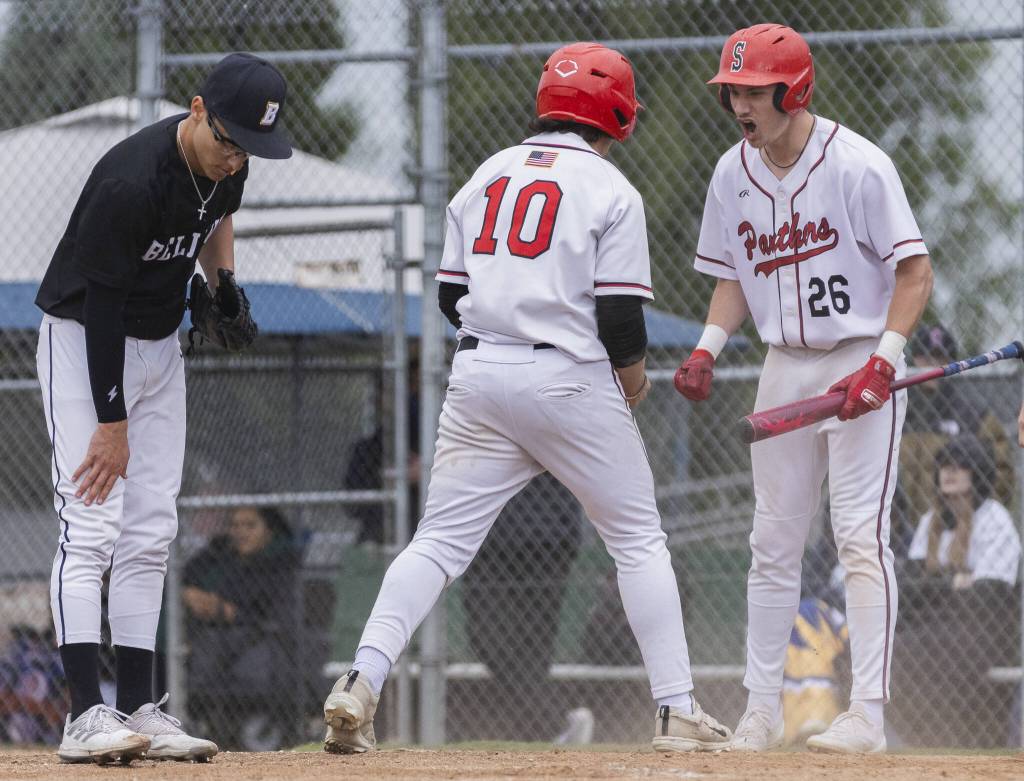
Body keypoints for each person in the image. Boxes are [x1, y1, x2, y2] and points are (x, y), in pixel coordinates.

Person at [322, 42, 731, 755]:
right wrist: (628, 378)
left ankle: (360, 679)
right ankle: (675, 709)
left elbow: (452, 295)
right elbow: (620, 317)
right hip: (569, 372)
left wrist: (505, 332)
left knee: (438, 541)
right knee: (637, 539)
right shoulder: (610, 189)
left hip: (480, 373)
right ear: (618, 112)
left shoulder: (488, 172)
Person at [675, 24, 933, 753]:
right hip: (783, 363)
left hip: (859, 357)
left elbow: (914, 270)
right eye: (733, 91)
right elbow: (735, 274)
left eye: (753, 90)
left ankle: (867, 717)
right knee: (771, 543)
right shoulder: (733, 172)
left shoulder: (857, 165)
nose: (739, 106)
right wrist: (706, 345)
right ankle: (758, 710)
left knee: (859, 537)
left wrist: (884, 361)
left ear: (793, 90)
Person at [33, 52, 291, 763]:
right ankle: (85, 713)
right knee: (91, 524)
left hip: (160, 346)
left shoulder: (228, 163)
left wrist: (225, 284)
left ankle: (143, 706)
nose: (235, 158)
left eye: (248, 148)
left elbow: (217, 219)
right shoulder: (131, 180)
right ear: (197, 107)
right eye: (228, 139)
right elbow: (104, 305)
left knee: (150, 528)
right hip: (87, 340)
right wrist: (110, 422)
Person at [895, 435, 1021, 746]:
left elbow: (989, 597)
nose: (950, 472)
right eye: (945, 466)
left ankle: (932, 742)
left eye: (961, 466)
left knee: (919, 652)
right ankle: (913, 742)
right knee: (886, 651)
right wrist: (954, 582)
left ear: (977, 473)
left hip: (982, 632)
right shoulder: (931, 521)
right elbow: (906, 591)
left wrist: (931, 587)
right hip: (932, 625)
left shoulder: (994, 519)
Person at [461, 472, 582, 741]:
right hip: (490, 539)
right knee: (487, 640)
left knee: (535, 649)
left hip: (549, 537)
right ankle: (557, 724)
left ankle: (541, 734)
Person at [183, 505, 300, 749]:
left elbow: (273, 615)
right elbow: (185, 577)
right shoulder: (220, 555)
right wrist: (190, 595)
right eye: (235, 525)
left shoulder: (280, 562)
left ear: (269, 531)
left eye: (250, 525)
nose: (240, 532)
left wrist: (223, 610)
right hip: (210, 638)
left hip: (257, 644)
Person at [896, 324, 1012, 553]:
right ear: (913, 360)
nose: (931, 364)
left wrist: (968, 519)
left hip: (954, 533)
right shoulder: (897, 413)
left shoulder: (973, 415)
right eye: (924, 356)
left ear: (953, 362)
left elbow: (1001, 476)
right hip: (901, 534)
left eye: (939, 357)